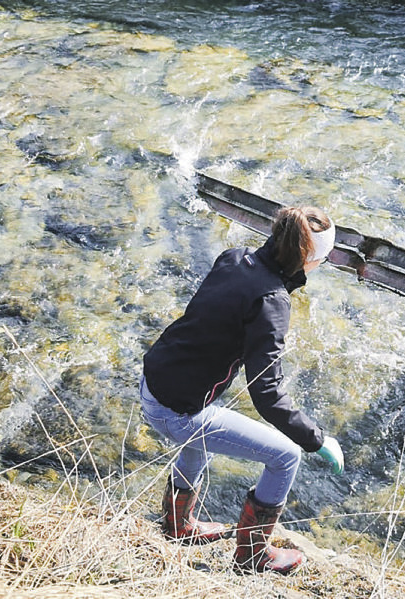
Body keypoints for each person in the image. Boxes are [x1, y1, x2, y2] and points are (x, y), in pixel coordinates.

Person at [139, 205, 345, 575]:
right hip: (178, 410)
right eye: (324, 259)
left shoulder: (235, 257)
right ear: (307, 258)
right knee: (285, 457)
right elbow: (266, 393)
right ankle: (252, 555)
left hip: (154, 381)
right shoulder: (272, 302)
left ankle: (177, 525)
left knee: (198, 437)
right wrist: (316, 439)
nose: (323, 264)